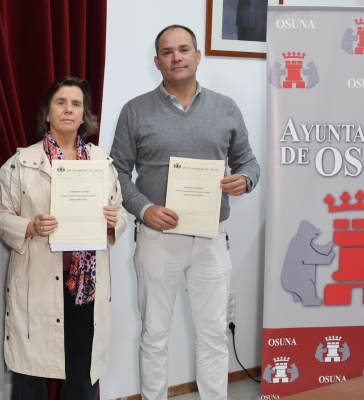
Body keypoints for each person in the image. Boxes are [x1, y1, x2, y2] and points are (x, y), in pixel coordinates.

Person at [110, 25, 260, 400]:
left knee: (212, 335)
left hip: (211, 238)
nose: (176, 57)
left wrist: (244, 180)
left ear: (197, 55)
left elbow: (249, 162)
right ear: (157, 61)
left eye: (183, 49)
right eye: (167, 51)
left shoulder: (226, 107)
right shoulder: (135, 110)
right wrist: (144, 209)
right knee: (155, 334)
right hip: (157, 239)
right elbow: (116, 172)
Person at [0, 76, 127, 400]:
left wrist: (113, 222)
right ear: (47, 113)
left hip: (85, 286)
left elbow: (120, 211)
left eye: (76, 104)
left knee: (81, 374)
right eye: (61, 102)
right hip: (37, 282)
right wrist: (30, 227)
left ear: (84, 115)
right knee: (31, 374)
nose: (69, 109)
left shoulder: (101, 163)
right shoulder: (21, 163)